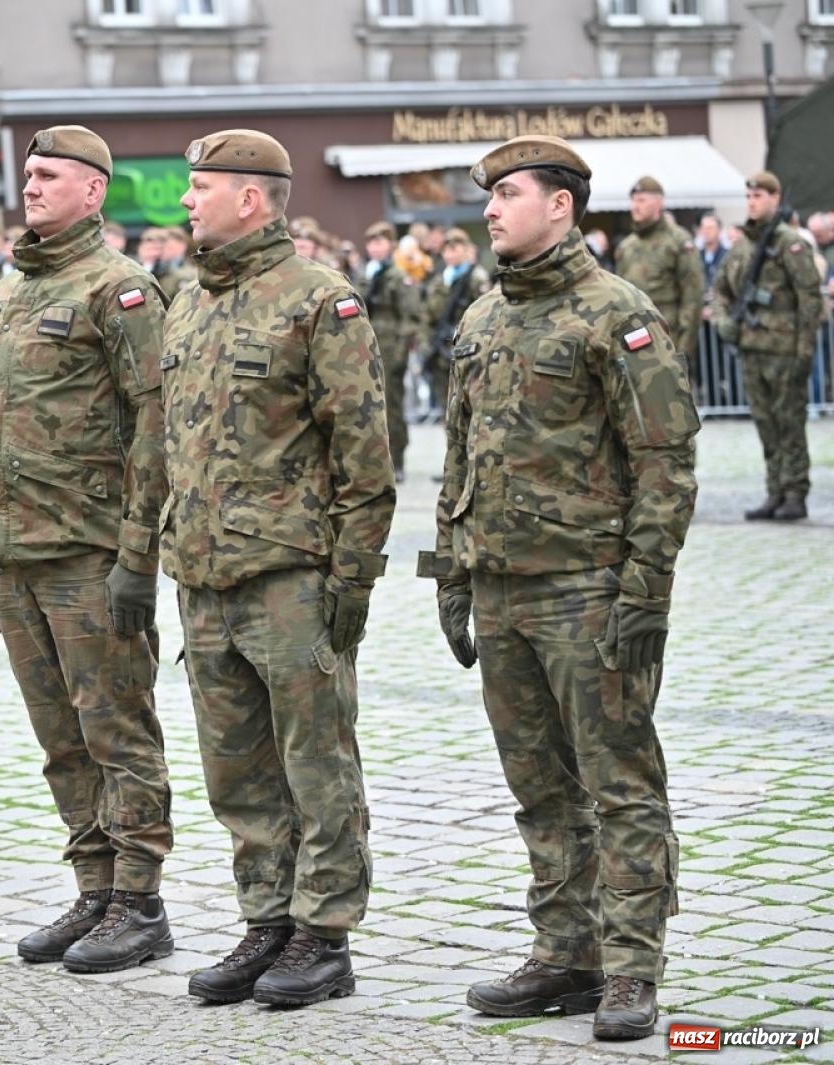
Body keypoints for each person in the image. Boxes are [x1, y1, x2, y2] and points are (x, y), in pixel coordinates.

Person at [422, 134, 698, 1042]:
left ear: (562, 206)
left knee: (618, 784)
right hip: (501, 592)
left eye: (509, 193)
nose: (491, 208)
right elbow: (455, 456)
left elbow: (664, 462)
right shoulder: (481, 318)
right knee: (539, 787)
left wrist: (645, 592)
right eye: (488, 195)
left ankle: (628, 968)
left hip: (589, 591)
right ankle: (564, 953)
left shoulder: (615, 312)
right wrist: (449, 573)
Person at [160, 129, 393, 1008]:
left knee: (317, 762)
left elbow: (365, 457)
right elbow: (170, 444)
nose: (187, 201)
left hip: (291, 576)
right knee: (237, 770)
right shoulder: (188, 303)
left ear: (249, 197)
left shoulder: (318, 301)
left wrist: (353, 580)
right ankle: (267, 920)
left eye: (199, 187)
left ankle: (323, 935)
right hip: (205, 576)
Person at [0, 125, 175, 974]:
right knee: (59, 736)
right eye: (27, 174)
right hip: (17, 550)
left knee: (116, 730)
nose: (31, 186)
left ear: (93, 192)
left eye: (50, 175)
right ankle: (93, 886)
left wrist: (137, 554)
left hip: (89, 553)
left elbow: (155, 424)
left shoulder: (121, 290)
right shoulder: (4, 293)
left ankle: (139, 898)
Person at [711, 172, 823, 522]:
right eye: (748, 196)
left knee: (789, 423)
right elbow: (721, 290)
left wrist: (804, 351)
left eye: (758, 195)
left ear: (774, 198)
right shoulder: (743, 246)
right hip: (752, 349)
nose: (752, 202)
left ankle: (795, 493)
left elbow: (809, 300)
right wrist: (723, 320)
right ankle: (774, 490)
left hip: (785, 350)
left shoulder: (790, 243)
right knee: (764, 422)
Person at [614, 177, 704, 383]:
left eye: (642, 200)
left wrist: (684, 348)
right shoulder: (627, 247)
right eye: (633, 200)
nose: (635, 206)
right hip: (634, 340)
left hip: (667, 339)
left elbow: (693, 296)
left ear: (659, 203)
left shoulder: (678, 241)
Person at [360, 221, 421, 480]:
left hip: (390, 346)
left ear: (391, 245)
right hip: (366, 346)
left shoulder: (398, 276)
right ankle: (376, 460)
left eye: (380, 242)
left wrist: (401, 352)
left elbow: (409, 316)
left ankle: (397, 459)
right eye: (371, 242)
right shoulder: (366, 274)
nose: (375, 247)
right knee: (369, 406)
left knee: (392, 405)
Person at [421, 228, 490, 424]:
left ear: (466, 250)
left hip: (469, 353)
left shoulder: (476, 278)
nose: (451, 254)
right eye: (447, 250)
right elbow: (427, 316)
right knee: (448, 410)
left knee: (471, 409)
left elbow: (486, 316)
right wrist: (426, 344)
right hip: (441, 353)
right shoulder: (439, 281)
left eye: (456, 249)